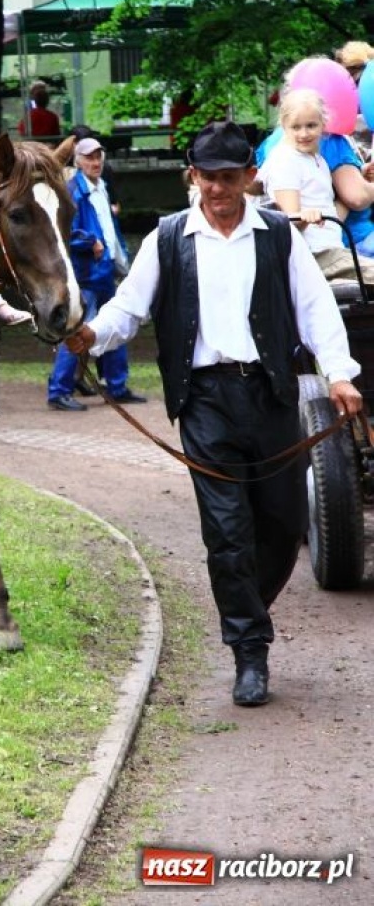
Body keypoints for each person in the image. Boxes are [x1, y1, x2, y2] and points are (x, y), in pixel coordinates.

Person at [65, 120, 362, 706]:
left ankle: (247, 607)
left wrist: (341, 373)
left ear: (251, 178)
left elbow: (315, 307)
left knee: (280, 524)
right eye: (208, 179)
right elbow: (130, 307)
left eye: (229, 178)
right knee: (227, 533)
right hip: (203, 402)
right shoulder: (169, 238)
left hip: (271, 395)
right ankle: (249, 652)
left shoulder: (278, 236)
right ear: (192, 177)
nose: (219, 190)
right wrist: (91, 336)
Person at [48, 137, 145, 411]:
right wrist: (90, 241)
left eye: (98, 157)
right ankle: (59, 390)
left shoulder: (101, 187)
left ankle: (117, 385)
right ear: (77, 160)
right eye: (90, 157)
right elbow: (63, 231)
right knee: (77, 331)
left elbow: (110, 227)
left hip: (104, 270)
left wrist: (119, 254)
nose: (96, 162)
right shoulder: (72, 191)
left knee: (113, 326)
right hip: (86, 274)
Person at [259, 88, 374, 282]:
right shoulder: (286, 160)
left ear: (323, 124)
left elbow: (323, 200)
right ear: (284, 126)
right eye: (296, 127)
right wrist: (303, 217)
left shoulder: (316, 159)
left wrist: (361, 173)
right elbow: (289, 221)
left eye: (311, 125)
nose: (303, 134)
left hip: (332, 249)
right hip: (313, 254)